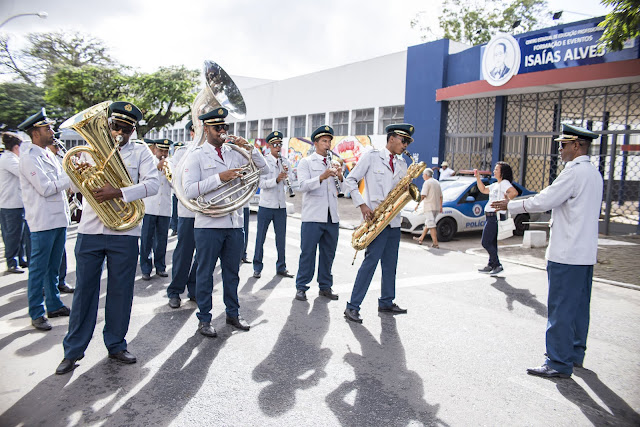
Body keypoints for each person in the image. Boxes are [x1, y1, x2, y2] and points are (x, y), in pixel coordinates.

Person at [491, 124, 603, 379]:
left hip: (566, 253)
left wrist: (512, 205)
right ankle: (574, 354)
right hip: (585, 253)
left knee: (560, 309)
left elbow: (544, 200)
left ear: (577, 146)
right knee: (578, 308)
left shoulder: (573, 173)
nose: (560, 149)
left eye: (564, 145)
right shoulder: (593, 173)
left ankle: (558, 361)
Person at [56, 102, 159, 375]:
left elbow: (153, 184)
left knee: (120, 292)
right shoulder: (88, 150)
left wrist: (120, 193)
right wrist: (77, 173)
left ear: (132, 130)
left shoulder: (141, 152)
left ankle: (116, 344)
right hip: (90, 230)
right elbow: (73, 185)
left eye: (125, 129)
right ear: (108, 124)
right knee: (84, 293)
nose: (119, 133)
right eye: (115, 127)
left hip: (125, 232)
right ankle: (72, 351)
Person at [182, 107, 268, 337]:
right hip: (209, 225)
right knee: (205, 274)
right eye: (217, 127)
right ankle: (204, 319)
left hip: (234, 223)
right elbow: (189, 190)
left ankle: (233, 313)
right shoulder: (197, 155)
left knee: (232, 273)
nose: (222, 131)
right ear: (206, 129)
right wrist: (219, 177)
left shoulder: (235, 152)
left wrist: (250, 148)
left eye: (224, 126)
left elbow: (265, 169)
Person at [343, 123, 414, 323]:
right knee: (370, 264)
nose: (405, 145)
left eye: (407, 142)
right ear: (391, 138)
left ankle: (386, 302)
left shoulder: (402, 164)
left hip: (394, 221)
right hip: (375, 220)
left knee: (391, 265)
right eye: (403, 140)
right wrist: (362, 205)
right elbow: (351, 180)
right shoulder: (371, 156)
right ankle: (352, 306)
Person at [17, 109, 72, 331]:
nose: (52, 131)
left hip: (58, 218)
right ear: (35, 133)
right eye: (47, 128)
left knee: (53, 268)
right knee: (39, 269)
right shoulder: (29, 158)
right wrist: (71, 177)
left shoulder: (48, 154)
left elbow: (60, 184)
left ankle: (54, 304)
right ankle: (36, 312)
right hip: (43, 220)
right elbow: (46, 188)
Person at [294, 125, 342, 302]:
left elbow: (341, 190)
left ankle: (325, 286)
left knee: (328, 254)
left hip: (331, 216)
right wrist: (322, 176)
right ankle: (301, 287)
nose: (328, 144)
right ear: (315, 143)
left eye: (329, 141)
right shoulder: (306, 162)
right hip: (313, 216)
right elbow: (302, 186)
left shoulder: (333, 163)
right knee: (308, 253)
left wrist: (340, 176)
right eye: (324, 141)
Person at [252, 130, 295, 279]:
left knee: (281, 239)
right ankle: (257, 267)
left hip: (280, 206)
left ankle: (281, 267)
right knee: (260, 238)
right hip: (266, 205)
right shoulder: (263, 162)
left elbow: (292, 181)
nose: (278, 148)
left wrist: (288, 175)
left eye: (279, 145)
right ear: (269, 146)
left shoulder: (286, 161)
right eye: (275, 145)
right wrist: (276, 179)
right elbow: (261, 184)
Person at [166, 124, 198, 309]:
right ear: (192, 132)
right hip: (188, 211)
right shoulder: (182, 152)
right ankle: (175, 291)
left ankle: (194, 289)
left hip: (208, 212)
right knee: (184, 253)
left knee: (203, 256)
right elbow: (175, 180)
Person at [139, 138, 173, 280]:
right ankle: (146, 268)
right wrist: (158, 169)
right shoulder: (149, 163)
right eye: (161, 151)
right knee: (147, 239)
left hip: (165, 207)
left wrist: (170, 174)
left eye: (166, 151)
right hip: (150, 207)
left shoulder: (171, 164)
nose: (163, 154)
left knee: (162, 240)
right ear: (155, 150)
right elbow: (143, 181)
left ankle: (160, 267)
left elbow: (175, 184)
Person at [476, 162, 518, 275]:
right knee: (492, 242)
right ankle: (491, 264)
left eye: (496, 169)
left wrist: (506, 199)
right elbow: (483, 189)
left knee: (485, 242)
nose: (494, 171)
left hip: (494, 216)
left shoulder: (504, 183)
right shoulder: (496, 184)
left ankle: (497, 264)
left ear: (502, 172)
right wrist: (478, 178)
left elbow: (514, 192)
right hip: (489, 216)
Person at [47, 136, 75, 293]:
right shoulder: (37, 159)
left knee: (60, 252)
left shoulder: (57, 159)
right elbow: (46, 187)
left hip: (60, 214)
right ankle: (47, 285)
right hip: (45, 216)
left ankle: (61, 281)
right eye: (55, 146)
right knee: (46, 256)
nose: (58, 149)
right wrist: (69, 180)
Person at [0, 132, 29, 274]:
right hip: (11, 203)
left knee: (20, 234)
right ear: (17, 147)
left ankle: (20, 258)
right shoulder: (9, 159)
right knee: (12, 235)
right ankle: (12, 262)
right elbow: (23, 172)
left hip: (14, 202)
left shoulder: (11, 158)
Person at [413, 168, 443, 248]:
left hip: (429, 206)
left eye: (423, 174)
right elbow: (441, 196)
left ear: (426, 175)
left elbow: (423, 195)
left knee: (431, 224)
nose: (423, 176)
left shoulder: (427, 183)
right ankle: (421, 238)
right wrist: (441, 206)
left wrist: (417, 204)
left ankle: (435, 243)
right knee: (428, 223)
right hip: (436, 207)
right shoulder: (437, 182)